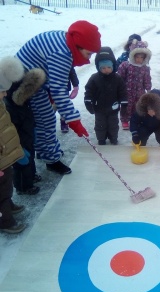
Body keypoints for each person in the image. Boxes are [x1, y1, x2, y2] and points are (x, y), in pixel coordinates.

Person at [15, 20, 101, 175]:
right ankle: (51, 160)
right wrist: (73, 120)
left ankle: (44, 151)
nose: (88, 59)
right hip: (25, 83)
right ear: (78, 46)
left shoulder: (66, 41)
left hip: (36, 79)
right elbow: (59, 90)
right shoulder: (62, 53)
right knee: (46, 119)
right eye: (88, 53)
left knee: (44, 118)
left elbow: (50, 75)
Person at [4, 67, 46, 195]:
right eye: (30, 92)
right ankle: (23, 186)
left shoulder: (23, 103)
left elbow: (27, 119)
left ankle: (31, 177)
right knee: (22, 164)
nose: (32, 94)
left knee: (30, 159)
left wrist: (33, 129)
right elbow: (11, 130)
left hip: (27, 137)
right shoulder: (12, 108)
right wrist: (17, 146)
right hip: (19, 142)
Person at [0, 56, 27, 234]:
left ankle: (8, 204)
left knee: (6, 186)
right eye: (2, 91)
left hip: (4, 157)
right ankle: (5, 221)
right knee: (0, 193)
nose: (5, 94)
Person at [84, 46, 127, 145]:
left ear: (113, 66)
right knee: (100, 125)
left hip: (113, 107)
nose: (106, 70)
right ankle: (101, 139)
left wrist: (124, 103)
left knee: (113, 125)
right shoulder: (94, 78)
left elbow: (123, 92)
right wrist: (88, 101)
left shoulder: (117, 78)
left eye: (108, 67)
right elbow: (89, 91)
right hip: (99, 108)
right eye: (103, 68)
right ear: (98, 67)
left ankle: (113, 138)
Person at [117, 39, 152, 130]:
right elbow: (120, 78)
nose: (139, 59)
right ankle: (125, 120)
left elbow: (147, 80)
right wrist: (119, 89)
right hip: (127, 91)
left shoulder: (145, 68)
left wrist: (148, 89)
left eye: (142, 57)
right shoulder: (126, 65)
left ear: (145, 58)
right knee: (127, 106)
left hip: (140, 92)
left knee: (138, 106)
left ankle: (135, 120)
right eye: (137, 57)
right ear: (133, 55)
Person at [60, 67, 80, 133]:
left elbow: (72, 72)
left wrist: (75, 85)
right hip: (48, 87)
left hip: (64, 87)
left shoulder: (66, 59)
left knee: (63, 106)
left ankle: (64, 122)